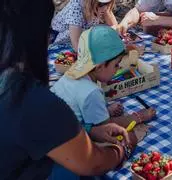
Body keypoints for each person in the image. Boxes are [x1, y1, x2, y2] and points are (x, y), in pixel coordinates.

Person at [0, 0, 137, 179]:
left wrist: (91, 131)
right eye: (49, 33)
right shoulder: (30, 98)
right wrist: (123, 148)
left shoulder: (12, 84)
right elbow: (93, 162)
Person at [50, 25, 156, 144]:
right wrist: (138, 117)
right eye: (116, 65)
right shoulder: (92, 91)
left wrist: (106, 110)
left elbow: (80, 107)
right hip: (66, 142)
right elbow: (106, 127)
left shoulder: (71, 74)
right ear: (99, 66)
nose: (118, 68)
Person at [51, 0, 118, 51]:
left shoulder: (102, 6)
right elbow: (77, 46)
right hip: (63, 42)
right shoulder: (76, 9)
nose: (105, 8)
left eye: (107, 3)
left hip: (83, 37)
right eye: (101, 4)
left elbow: (114, 27)